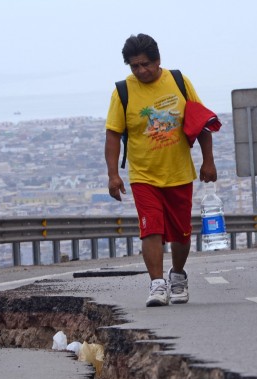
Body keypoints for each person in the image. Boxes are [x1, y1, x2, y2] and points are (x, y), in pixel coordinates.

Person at [104, 33, 217, 306]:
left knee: (181, 233)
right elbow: (112, 134)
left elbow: (200, 121)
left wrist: (208, 161)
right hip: (143, 175)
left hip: (178, 173)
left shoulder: (178, 81)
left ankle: (177, 275)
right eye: (135, 66)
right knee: (150, 228)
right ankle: (156, 284)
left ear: (158, 61)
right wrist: (113, 174)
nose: (141, 71)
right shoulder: (123, 91)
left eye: (145, 64)